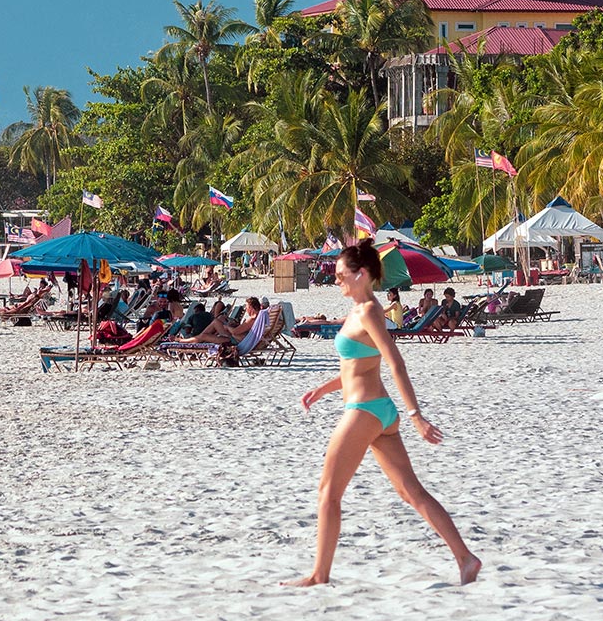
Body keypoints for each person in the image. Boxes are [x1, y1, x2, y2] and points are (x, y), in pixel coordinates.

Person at [286, 239, 480, 587]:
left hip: (365, 412)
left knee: (328, 493)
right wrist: (323, 389)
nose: (337, 280)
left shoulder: (370, 312)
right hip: (378, 412)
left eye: (341, 275)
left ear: (361, 275)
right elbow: (355, 367)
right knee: (411, 492)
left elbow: (394, 362)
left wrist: (416, 414)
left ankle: (319, 574)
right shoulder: (357, 310)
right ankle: (466, 559)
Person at [179, 297, 261, 344]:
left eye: (246, 307)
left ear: (251, 307)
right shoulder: (258, 318)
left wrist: (227, 327)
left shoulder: (252, 319)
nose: (246, 309)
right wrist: (234, 324)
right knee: (216, 322)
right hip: (239, 339)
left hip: (234, 340)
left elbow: (235, 332)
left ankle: (182, 340)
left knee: (207, 331)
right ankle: (194, 339)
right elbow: (242, 330)